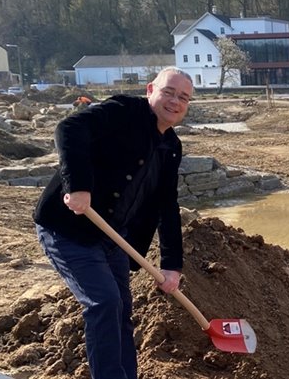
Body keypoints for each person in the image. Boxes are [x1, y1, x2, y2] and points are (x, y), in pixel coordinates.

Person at [34, 67, 194, 379]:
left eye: (183, 98)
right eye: (169, 92)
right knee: (104, 302)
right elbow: (69, 128)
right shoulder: (123, 111)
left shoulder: (171, 147)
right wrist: (78, 185)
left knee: (121, 309)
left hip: (111, 237)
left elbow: (167, 205)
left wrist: (172, 265)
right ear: (150, 90)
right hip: (69, 228)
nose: (175, 101)